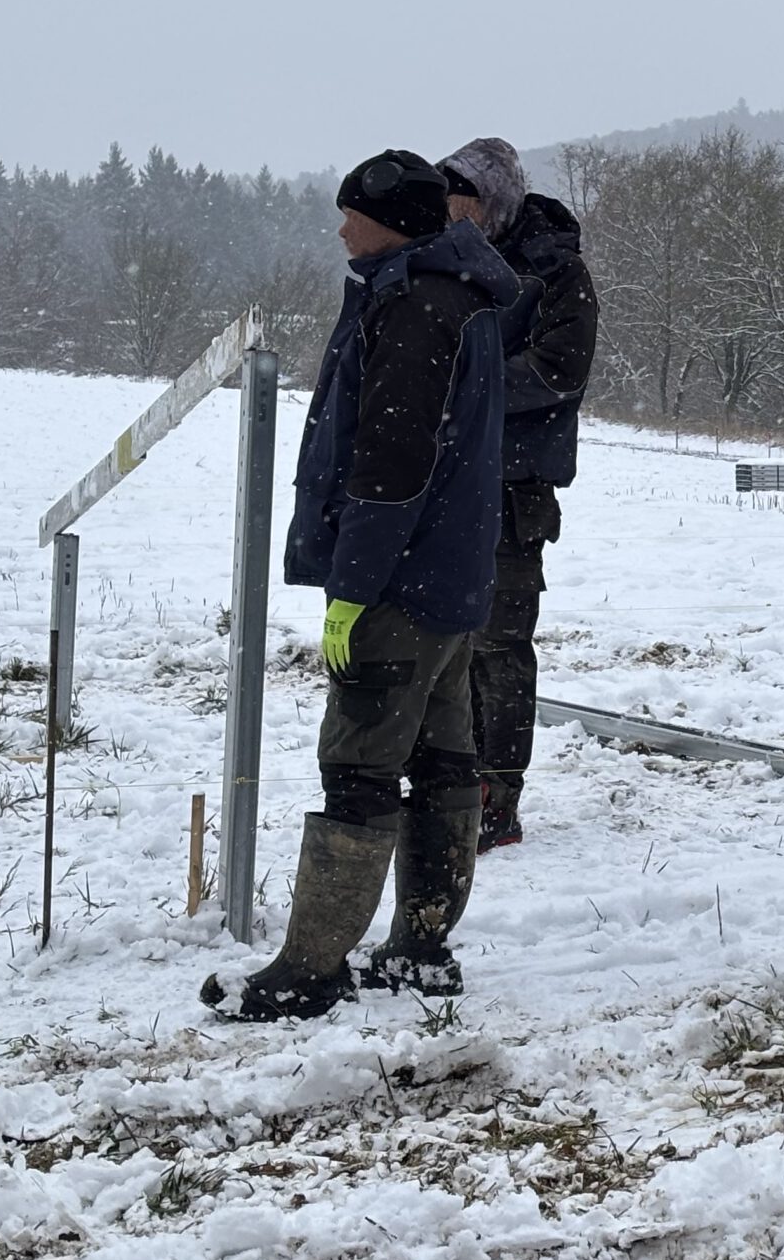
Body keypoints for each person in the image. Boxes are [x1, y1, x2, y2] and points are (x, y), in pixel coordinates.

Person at [203, 148, 521, 1020]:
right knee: (444, 760)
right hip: (451, 577)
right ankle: (421, 949)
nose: (341, 228)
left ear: (395, 222)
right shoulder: (457, 295)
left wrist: (353, 585)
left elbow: (391, 464)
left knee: (359, 763)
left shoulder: (416, 307)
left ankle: (311, 967)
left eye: (354, 214)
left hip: (401, 584)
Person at [436, 136, 598, 850]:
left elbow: (560, 369)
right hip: (442, 481)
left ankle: (495, 797)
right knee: (440, 642)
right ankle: (444, 784)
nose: (453, 211)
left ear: (494, 199)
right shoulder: (445, 261)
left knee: (498, 643)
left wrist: (469, 390)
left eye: (464, 197)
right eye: (446, 198)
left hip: (512, 486)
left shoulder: (555, 270)